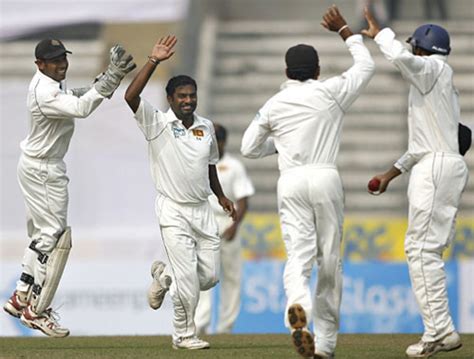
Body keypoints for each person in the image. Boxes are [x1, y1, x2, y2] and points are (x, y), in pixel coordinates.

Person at [241, 6, 375, 359]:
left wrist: (282, 147)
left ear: (286, 71)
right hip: (325, 175)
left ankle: (298, 309)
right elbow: (366, 66)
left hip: (292, 180)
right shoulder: (330, 91)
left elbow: (247, 148)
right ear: (317, 70)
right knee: (329, 262)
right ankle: (326, 346)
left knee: (297, 258)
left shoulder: (275, 103)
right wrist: (346, 29)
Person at [3, 39, 136, 337]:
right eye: (54, 59)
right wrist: (111, 78)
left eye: (64, 57)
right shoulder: (44, 90)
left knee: (41, 234)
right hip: (45, 169)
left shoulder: (50, 82)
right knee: (55, 237)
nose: (62, 63)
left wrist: (104, 80)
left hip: (36, 165)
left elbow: (78, 96)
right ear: (39, 63)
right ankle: (36, 311)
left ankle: (20, 295)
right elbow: (81, 107)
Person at [362, 7, 467, 358]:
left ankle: (440, 332)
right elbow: (419, 147)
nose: (411, 54)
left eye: (414, 48)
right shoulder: (435, 87)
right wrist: (389, 174)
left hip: (436, 168)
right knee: (427, 250)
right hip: (438, 164)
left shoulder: (435, 68)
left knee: (421, 251)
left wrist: (381, 35)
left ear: (421, 49)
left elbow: (401, 59)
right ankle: (441, 329)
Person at [124, 35, 236, 350]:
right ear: (171, 99)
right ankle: (183, 335)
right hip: (173, 209)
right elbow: (131, 96)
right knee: (187, 279)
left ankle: (163, 277)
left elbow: (210, 164)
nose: (188, 101)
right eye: (182, 96)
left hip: (203, 209)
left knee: (210, 277)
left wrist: (221, 196)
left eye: (192, 96)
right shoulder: (157, 123)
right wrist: (154, 60)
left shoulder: (207, 127)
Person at [194, 124, 255, 335]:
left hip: (227, 221)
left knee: (231, 276)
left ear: (224, 142)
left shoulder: (234, 166)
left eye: (219, 140)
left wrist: (235, 226)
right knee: (204, 274)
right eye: (213, 140)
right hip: (204, 221)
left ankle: (225, 327)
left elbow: (243, 200)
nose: (216, 144)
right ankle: (200, 323)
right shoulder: (199, 162)